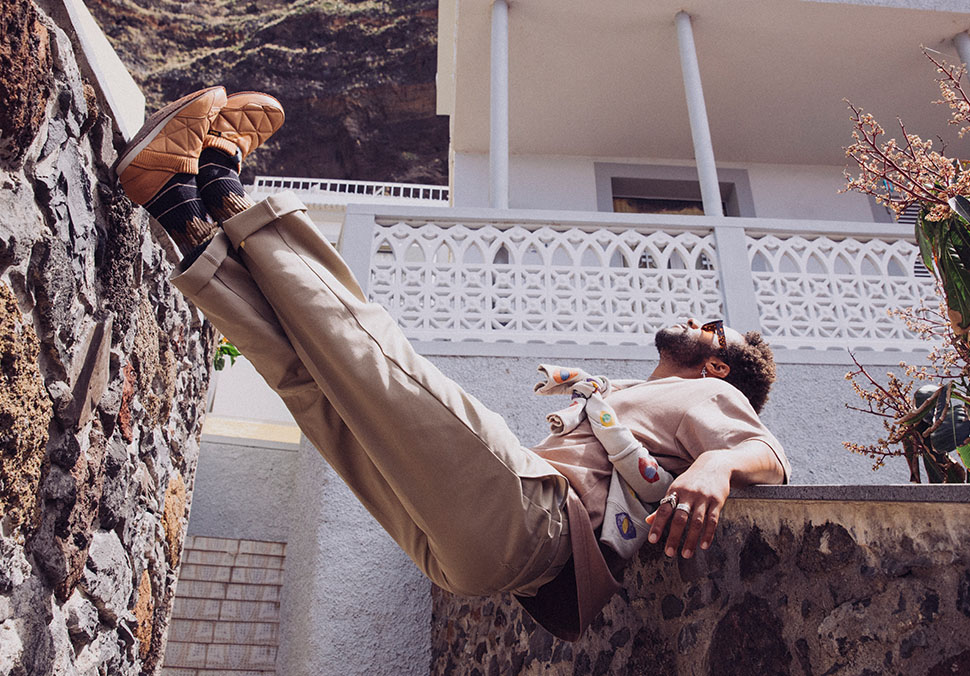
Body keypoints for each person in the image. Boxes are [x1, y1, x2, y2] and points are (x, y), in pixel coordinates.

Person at [114, 87, 790, 641]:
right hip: (480, 558)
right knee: (316, 391)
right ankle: (173, 201)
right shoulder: (638, 399)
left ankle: (223, 185)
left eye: (715, 331)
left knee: (368, 350)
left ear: (719, 370)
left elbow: (766, 453)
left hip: (534, 519)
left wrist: (719, 463)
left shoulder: (715, 402)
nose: (701, 322)